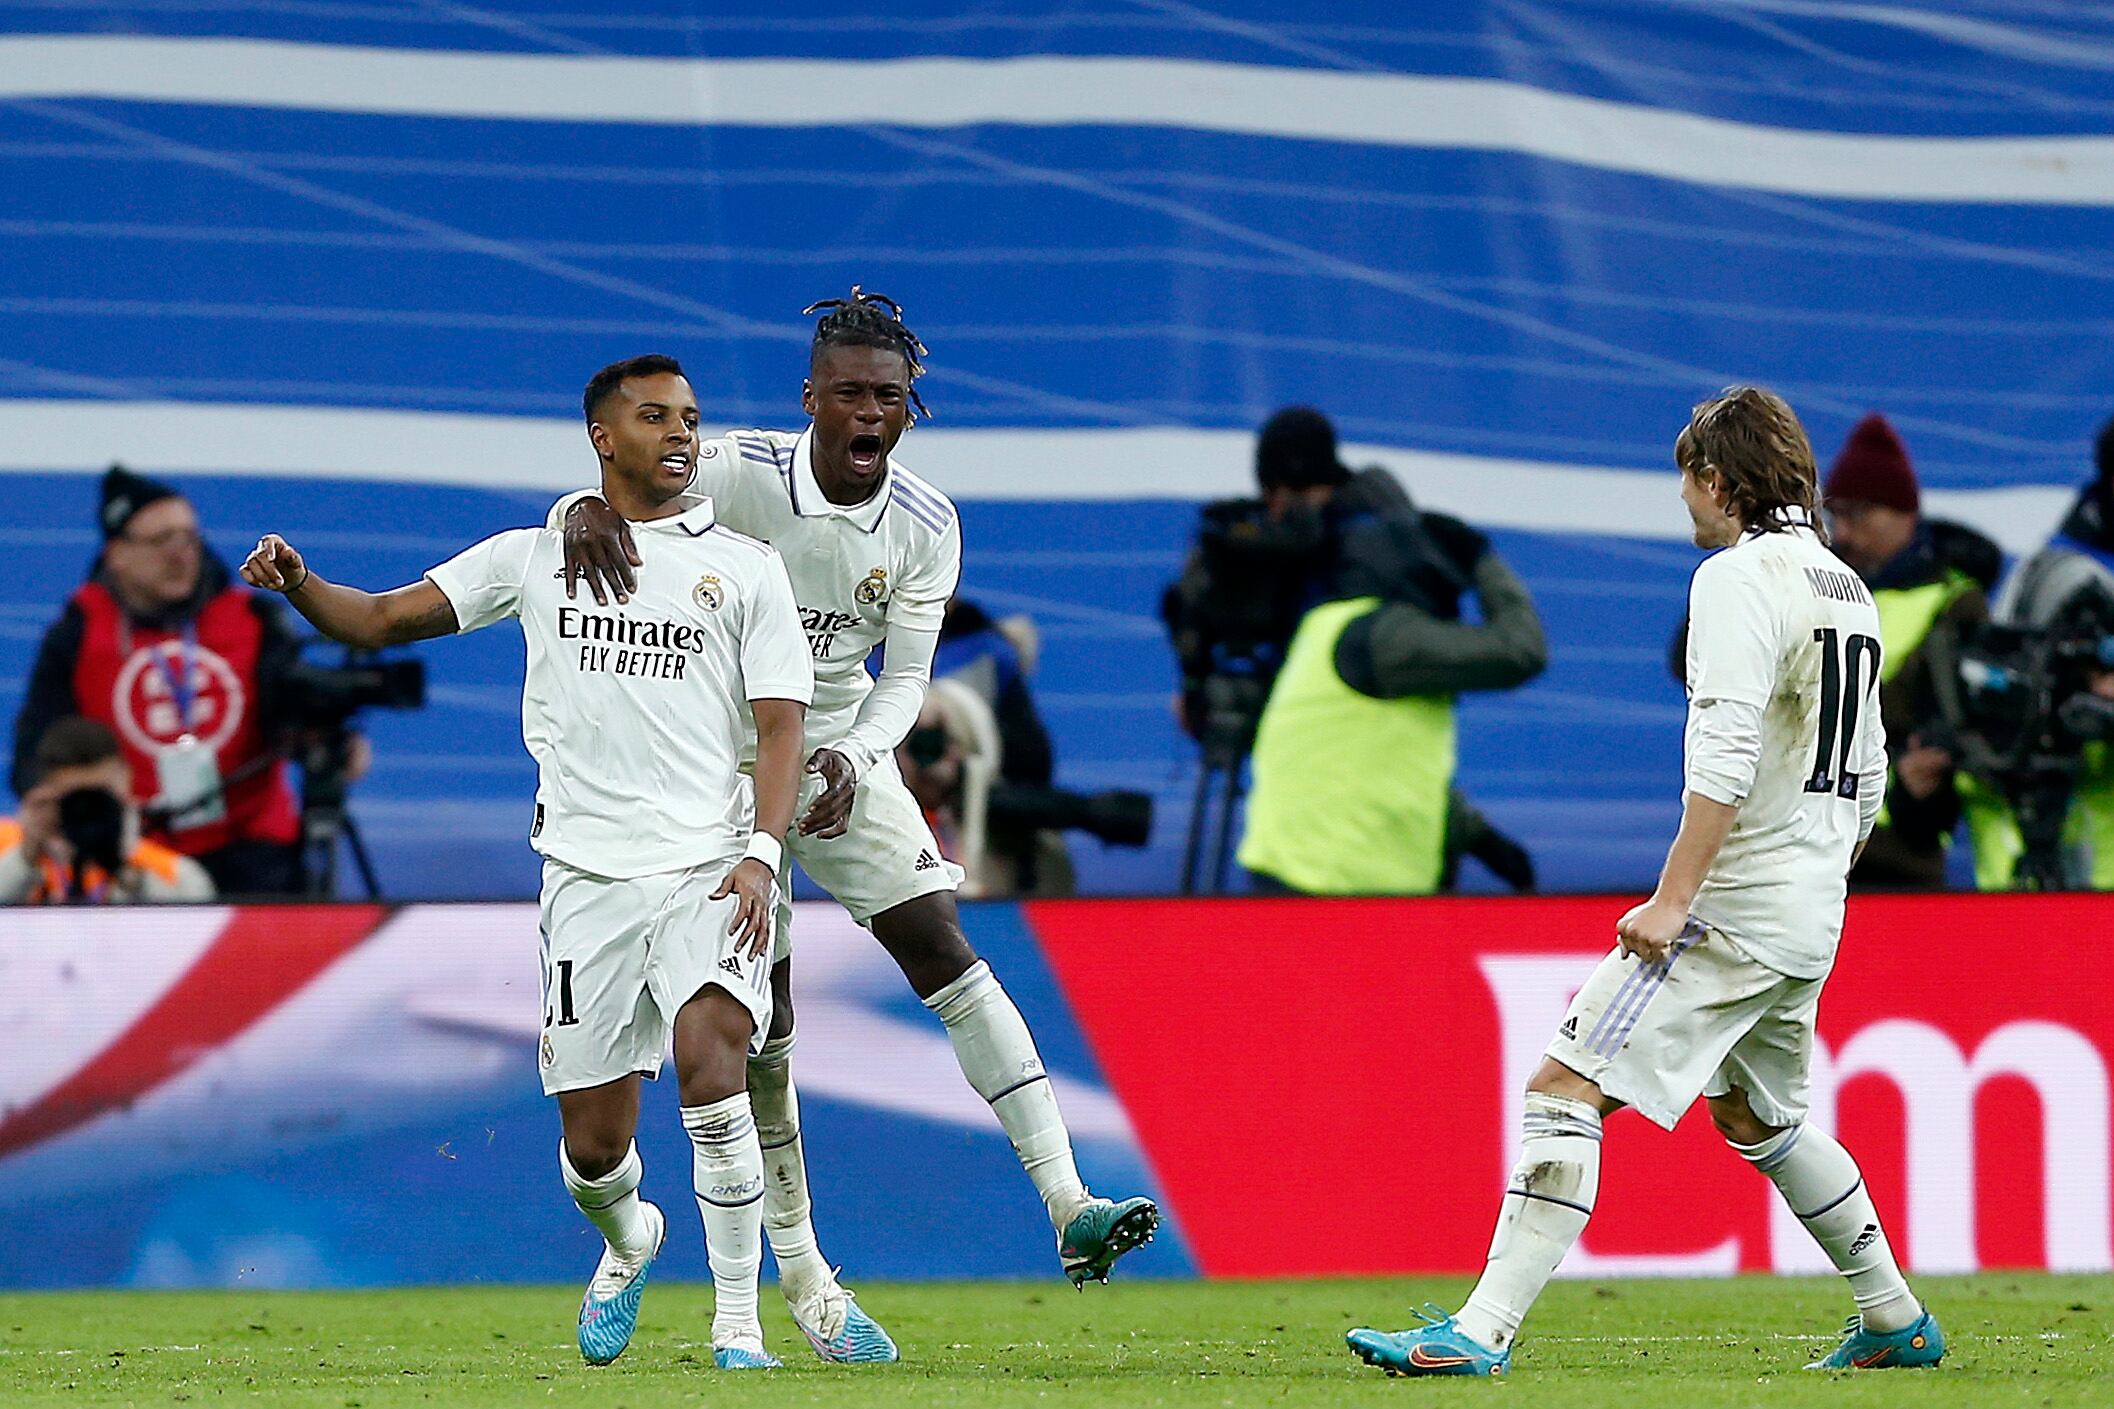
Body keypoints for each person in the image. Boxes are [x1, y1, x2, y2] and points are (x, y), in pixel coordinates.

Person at [554, 291, 1160, 1354]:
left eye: (887, 395)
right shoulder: (738, 468)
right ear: (811, 401)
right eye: (847, 393)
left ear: (910, 408)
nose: (867, 412)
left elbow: (907, 678)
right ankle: (809, 1284)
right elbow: (618, 494)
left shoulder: (926, 523)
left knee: (939, 937)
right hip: (713, 760)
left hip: (836, 743)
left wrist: (850, 755)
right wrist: (580, 513)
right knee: (761, 1033)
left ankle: (1067, 1202)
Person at [1348, 387, 1942, 1377]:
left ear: (1718, 480)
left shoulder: (1736, 578)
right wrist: (1811, 876)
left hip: (1738, 905)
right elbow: (1869, 770)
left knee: (1562, 1083)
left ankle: (1476, 1332)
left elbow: (1723, 755)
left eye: (1686, 482)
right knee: (1758, 1115)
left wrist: (1674, 898)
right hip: (1811, 902)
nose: (1684, 503)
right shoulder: (1845, 586)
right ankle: (1891, 1314)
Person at [241, 355, 814, 1371]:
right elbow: (376, 620)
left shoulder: (748, 567)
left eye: (689, 416)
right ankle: (630, 1235)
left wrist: (764, 852)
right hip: (586, 880)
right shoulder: (537, 553)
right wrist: (298, 585)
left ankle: (737, 1323)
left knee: (711, 1064)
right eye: (653, 417)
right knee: (594, 1151)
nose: (680, 433)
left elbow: (779, 727)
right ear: (604, 437)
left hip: (710, 866)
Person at [1215, 407, 1546, 895]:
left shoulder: (1328, 627)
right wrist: (1480, 560)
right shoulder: (1391, 635)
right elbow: (1522, 650)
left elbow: (1372, 763)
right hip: (1338, 890)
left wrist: (1475, 834)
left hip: (1309, 878)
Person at [1668, 414, 2002, 887]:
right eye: (1836, 514)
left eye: (1860, 514)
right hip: (1793, 845)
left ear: (1905, 512)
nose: (1844, 530)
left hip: (1899, 854)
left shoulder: (1952, 601)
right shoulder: (1797, 575)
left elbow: (1964, 719)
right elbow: (1690, 659)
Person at [11, 467, 307, 895]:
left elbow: (292, 714)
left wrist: (323, 740)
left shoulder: (252, 618)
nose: (180, 554)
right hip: (132, 856)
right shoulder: (80, 629)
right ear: (116, 554)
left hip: (253, 850)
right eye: (160, 540)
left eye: (187, 537)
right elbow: (37, 744)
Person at [0, 716, 215, 904]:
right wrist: (26, 857)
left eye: (99, 797)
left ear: (126, 781)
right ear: (45, 792)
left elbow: (201, 938)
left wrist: (128, 875)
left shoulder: (175, 874)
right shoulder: (8, 849)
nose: (86, 808)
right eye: (75, 798)